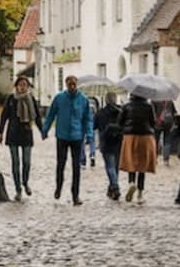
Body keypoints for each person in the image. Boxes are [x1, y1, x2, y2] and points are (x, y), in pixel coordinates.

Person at [41, 75, 93, 205]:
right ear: (66, 84)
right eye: (70, 84)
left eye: (74, 84)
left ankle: (75, 195)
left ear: (77, 84)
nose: (72, 87)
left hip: (77, 136)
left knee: (76, 167)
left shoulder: (83, 99)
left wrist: (89, 134)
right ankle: (58, 187)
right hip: (62, 136)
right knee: (61, 164)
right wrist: (45, 129)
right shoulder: (59, 98)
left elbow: (88, 119)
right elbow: (51, 114)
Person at [0, 75, 43, 202]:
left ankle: (25, 182)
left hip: (26, 133)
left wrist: (42, 130)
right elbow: (4, 116)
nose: (22, 87)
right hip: (13, 133)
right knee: (15, 163)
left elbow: (37, 116)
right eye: (20, 85)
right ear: (16, 86)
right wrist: (0, 132)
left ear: (28, 87)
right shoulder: (11, 98)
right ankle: (18, 189)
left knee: (27, 162)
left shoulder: (31, 98)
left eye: (25, 85)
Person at [117, 93, 156, 203]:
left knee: (131, 162)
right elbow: (153, 123)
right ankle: (140, 194)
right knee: (142, 166)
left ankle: (131, 183)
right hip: (145, 137)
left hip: (130, 136)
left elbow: (119, 122)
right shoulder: (148, 106)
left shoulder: (126, 106)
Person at [94, 91, 123, 200]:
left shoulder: (101, 112)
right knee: (115, 167)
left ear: (106, 100)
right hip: (118, 142)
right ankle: (111, 188)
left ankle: (115, 187)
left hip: (106, 143)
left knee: (110, 167)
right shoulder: (121, 111)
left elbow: (94, 126)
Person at [153, 100, 177, 165]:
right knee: (167, 141)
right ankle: (166, 160)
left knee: (155, 141)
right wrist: (174, 123)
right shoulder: (169, 101)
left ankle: (154, 159)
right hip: (168, 123)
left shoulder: (154, 101)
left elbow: (152, 114)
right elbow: (174, 112)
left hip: (158, 124)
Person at [80, 95, 100, 168]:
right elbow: (97, 114)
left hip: (83, 125)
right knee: (92, 141)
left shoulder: (83, 102)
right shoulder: (95, 103)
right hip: (91, 124)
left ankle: (83, 160)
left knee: (82, 142)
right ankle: (92, 154)